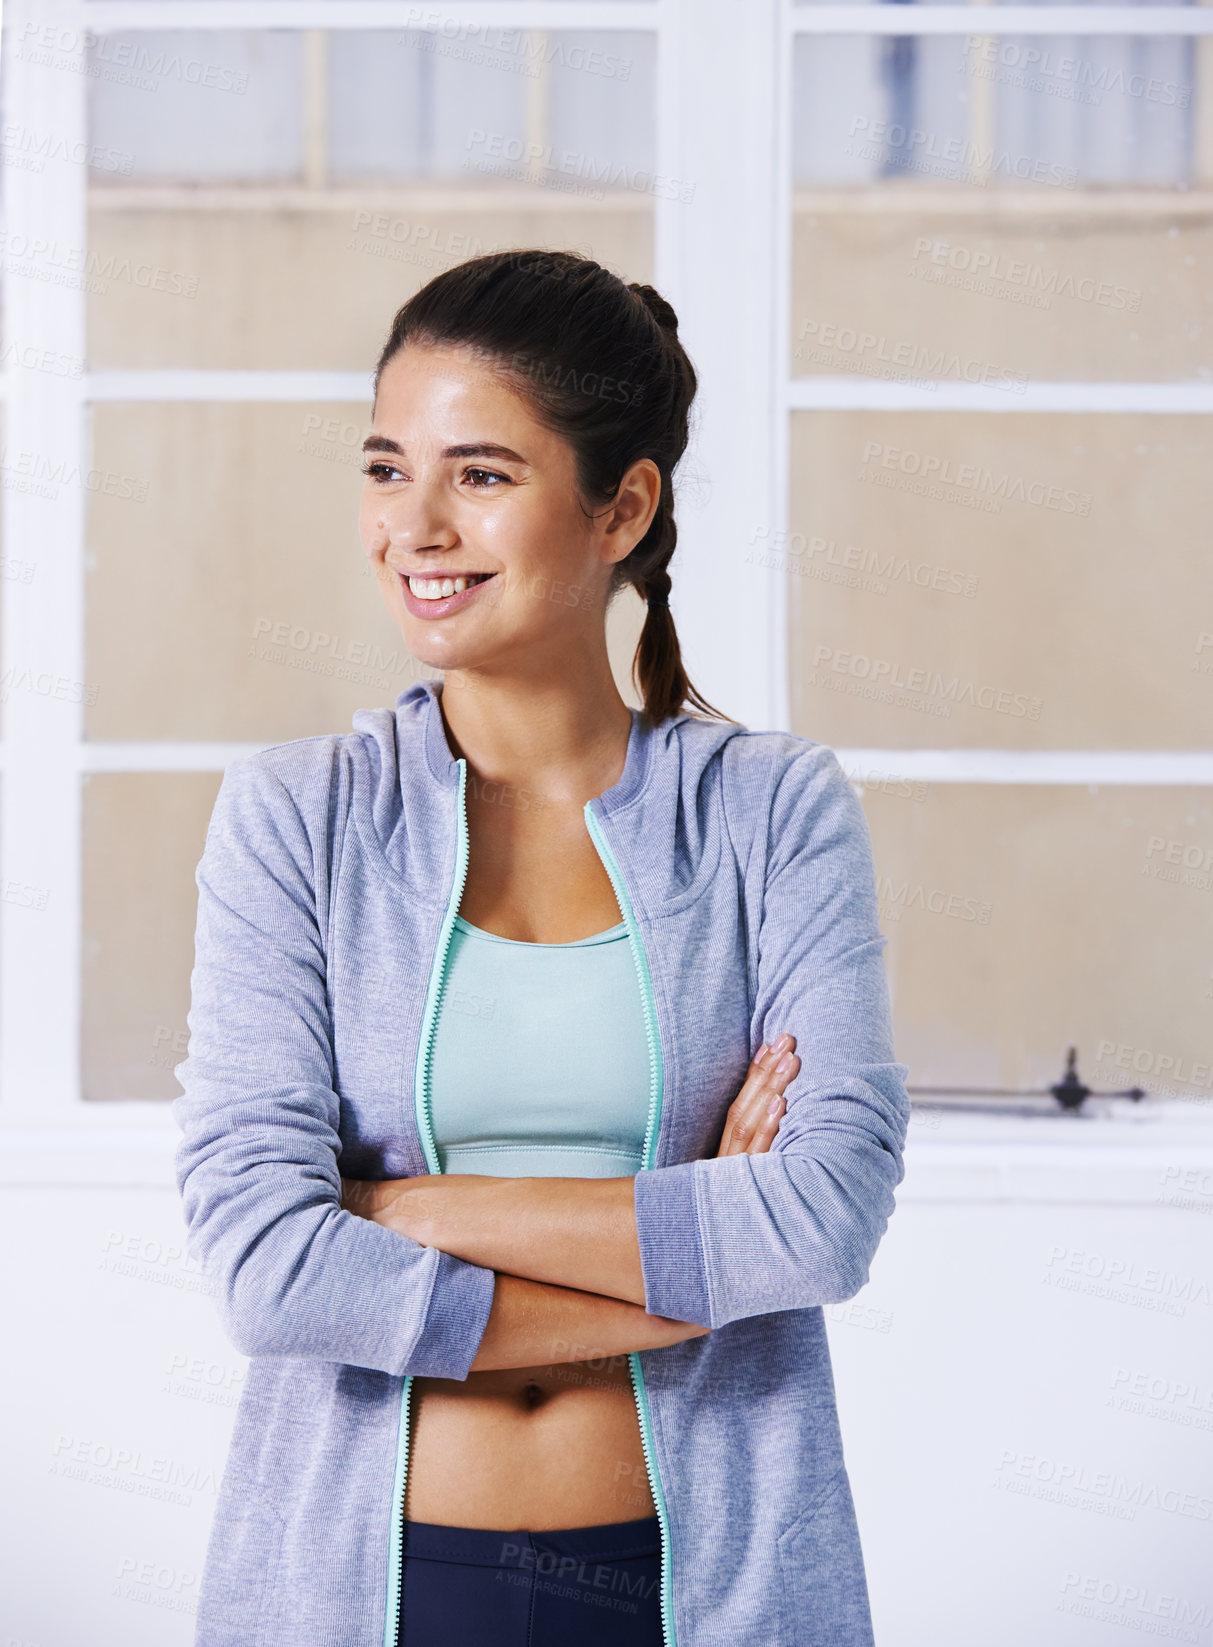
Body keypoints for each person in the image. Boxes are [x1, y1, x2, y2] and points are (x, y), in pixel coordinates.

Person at [173, 248, 911, 1647]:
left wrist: (404, 1210)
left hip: (708, 1588)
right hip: (359, 1584)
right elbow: (268, 1272)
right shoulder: (297, 817)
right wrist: (694, 1286)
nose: (416, 525)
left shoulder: (769, 811)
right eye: (388, 469)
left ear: (620, 507)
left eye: (483, 475)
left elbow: (821, 1218)